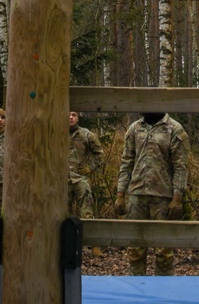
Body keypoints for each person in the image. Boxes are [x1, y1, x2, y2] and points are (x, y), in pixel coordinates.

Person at [114, 112, 188, 276]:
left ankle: (162, 293)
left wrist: (177, 197)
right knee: (135, 249)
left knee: (164, 251)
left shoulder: (174, 129)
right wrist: (120, 194)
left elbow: (180, 166)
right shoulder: (134, 128)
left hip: (163, 198)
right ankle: (138, 290)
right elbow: (126, 162)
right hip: (137, 195)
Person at [68, 110, 104, 219]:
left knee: (86, 215)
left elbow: (100, 154)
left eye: (74, 115)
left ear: (78, 118)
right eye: (68, 115)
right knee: (60, 218)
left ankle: (87, 235)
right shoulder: (56, 134)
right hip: (60, 181)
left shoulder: (86, 135)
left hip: (80, 179)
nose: (71, 117)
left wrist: (90, 168)